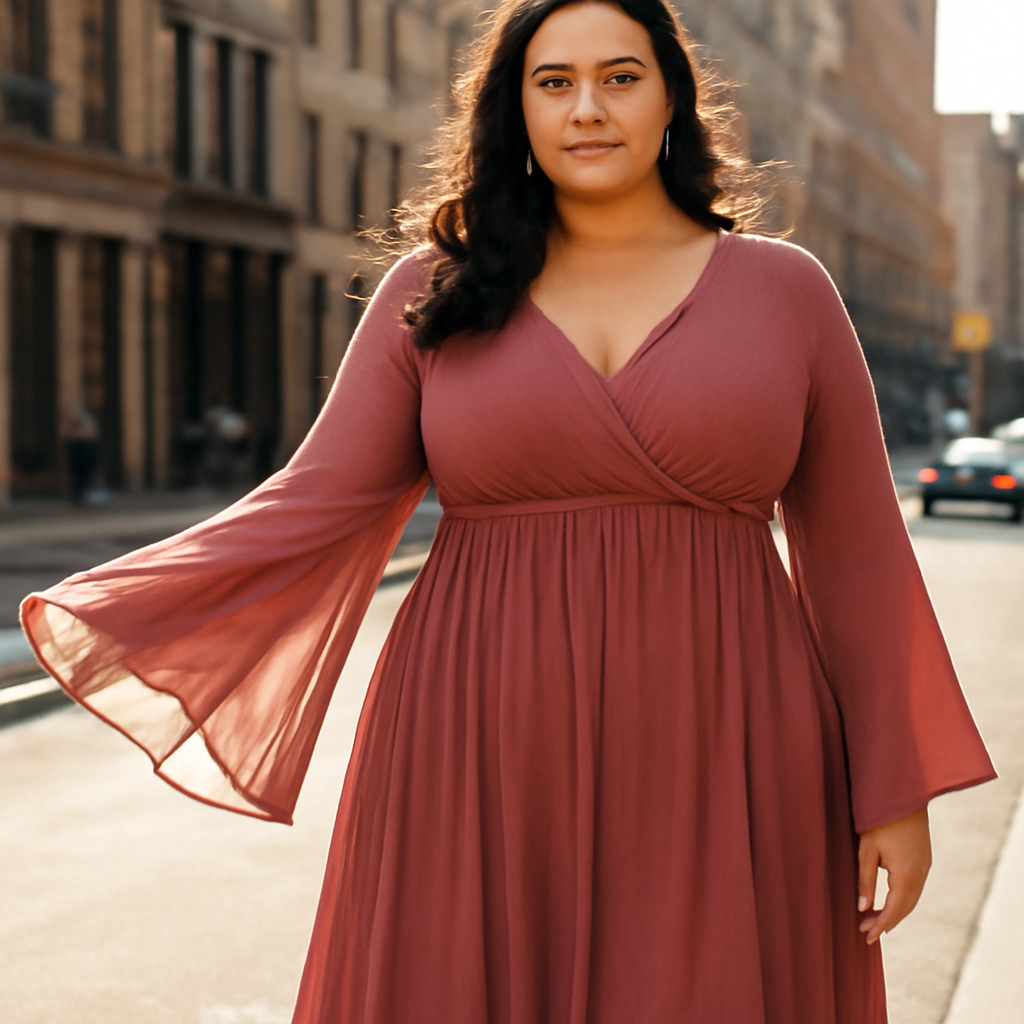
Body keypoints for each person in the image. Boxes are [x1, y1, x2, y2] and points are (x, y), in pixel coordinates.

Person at [20, 1, 995, 1021]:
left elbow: (857, 556)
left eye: (620, 78)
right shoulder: (436, 290)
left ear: (673, 96)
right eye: (552, 82)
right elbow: (312, 502)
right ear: (512, 109)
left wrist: (893, 788)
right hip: (475, 734)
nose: (587, 107)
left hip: (733, 733)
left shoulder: (788, 291)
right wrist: (113, 607)